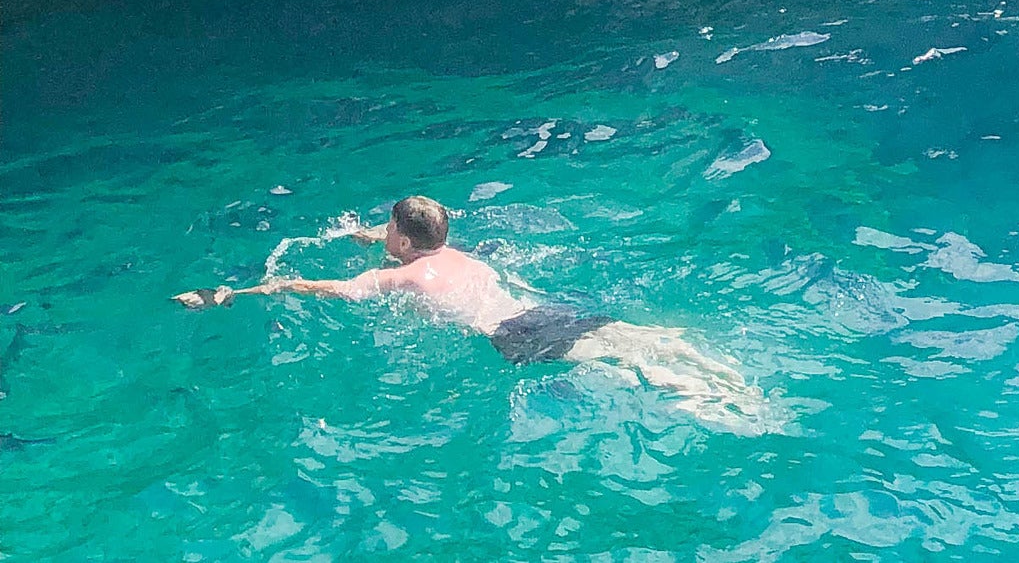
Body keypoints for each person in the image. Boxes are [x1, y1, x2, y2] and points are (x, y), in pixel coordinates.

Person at [174, 193, 773, 430]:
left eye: (387, 229)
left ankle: (720, 411)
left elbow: (327, 290)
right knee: (645, 340)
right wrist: (366, 236)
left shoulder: (397, 274)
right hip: (541, 307)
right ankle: (727, 380)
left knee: (627, 368)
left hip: (510, 334)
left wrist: (245, 292)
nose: (381, 235)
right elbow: (408, 247)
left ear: (404, 242)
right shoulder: (453, 255)